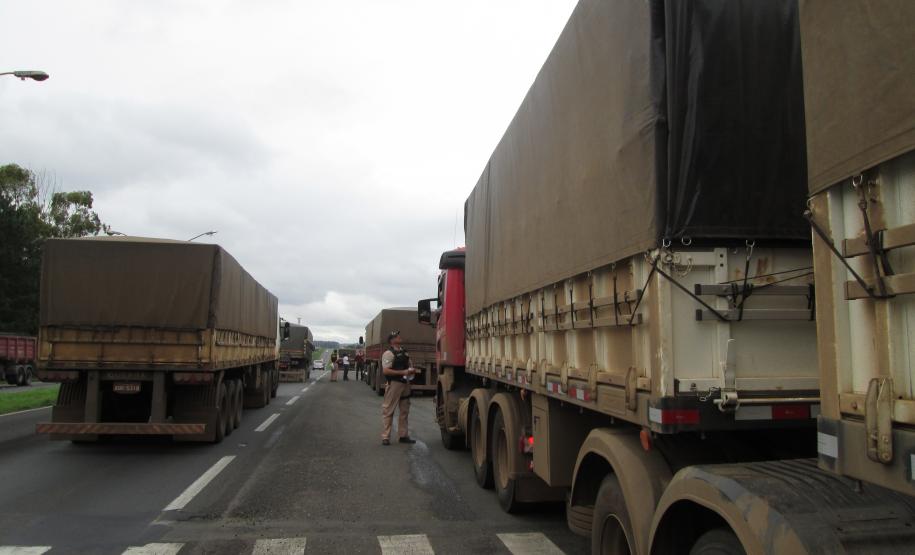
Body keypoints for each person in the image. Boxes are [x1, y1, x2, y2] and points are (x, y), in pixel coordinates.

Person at [381, 331, 416, 445]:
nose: (400, 337)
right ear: (392, 340)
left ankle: (403, 435)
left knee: (405, 411)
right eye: (397, 336)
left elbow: (409, 365)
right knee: (389, 410)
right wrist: (403, 372)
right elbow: (386, 370)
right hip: (394, 384)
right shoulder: (388, 354)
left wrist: (411, 370)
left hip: (405, 383)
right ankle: (385, 437)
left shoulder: (404, 352)